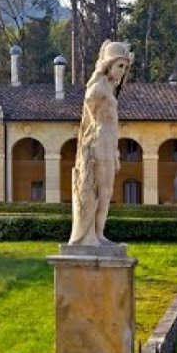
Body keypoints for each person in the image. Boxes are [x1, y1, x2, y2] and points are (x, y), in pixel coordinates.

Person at [68, 41, 132, 247]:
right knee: (100, 190)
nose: (123, 71)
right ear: (108, 65)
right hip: (99, 142)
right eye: (120, 65)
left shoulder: (109, 89)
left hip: (109, 143)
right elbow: (89, 101)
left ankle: (98, 234)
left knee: (107, 191)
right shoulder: (98, 88)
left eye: (125, 67)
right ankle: (90, 236)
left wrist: (115, 152)